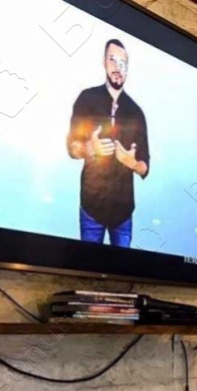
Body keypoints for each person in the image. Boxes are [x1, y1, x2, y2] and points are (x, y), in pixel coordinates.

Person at [67, 39, 150, 247]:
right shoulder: (86, 99)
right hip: (91, 207)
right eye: (112, 60)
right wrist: (89, 148)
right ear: (104, 61)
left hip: (123, 213)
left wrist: (133, 164)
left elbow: (145, 165)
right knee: (86, 265)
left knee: (122, 266)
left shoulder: (136, 112)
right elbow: (72, 147)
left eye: (123, 63)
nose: (117, 68)